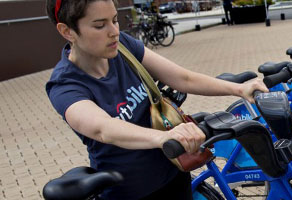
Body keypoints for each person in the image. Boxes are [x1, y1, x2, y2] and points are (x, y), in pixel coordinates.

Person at [44, 0, 267, 199]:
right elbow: (103, 128)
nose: (114, 32)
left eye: (115, 20)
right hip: (133, 191)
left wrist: (239, 89)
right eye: (100, 25)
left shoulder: (124, 47)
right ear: (68, 31)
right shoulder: (65, 84)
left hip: (174, 173)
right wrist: (163, 137)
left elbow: (183, 78)